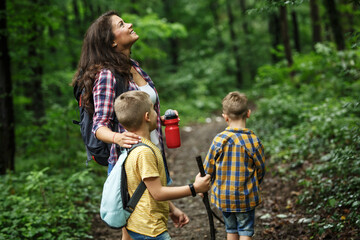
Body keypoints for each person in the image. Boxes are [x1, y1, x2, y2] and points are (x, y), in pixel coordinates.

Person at [72, 10, 175, 239]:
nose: (129, 24)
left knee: (139, 228)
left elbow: (144, 108)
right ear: (112, 41)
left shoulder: (134, 66)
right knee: (144, 228)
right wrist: (118, 138)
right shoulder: (107, 75)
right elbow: (99, 126)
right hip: (130, 164)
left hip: (153, 154)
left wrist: (163, 119)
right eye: (121, 24)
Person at [114, 91, 211, 240]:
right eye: (153, 110)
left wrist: (172, 209)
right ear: (147, 116)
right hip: (150, 228)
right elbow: (157, 193)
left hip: (137, 224)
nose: (157, 114)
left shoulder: (132, 147)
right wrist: (194, 188)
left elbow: (145, 188)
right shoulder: (144, 152)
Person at [203, 92, 266, 240]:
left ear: (225, 117)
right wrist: (254, 184)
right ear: (248, 113)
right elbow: (261, 169)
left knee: (231, 229)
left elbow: (208, 169)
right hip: (246, 197)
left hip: (224, 197)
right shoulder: (253, 141)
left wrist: (203, 186)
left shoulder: (219, 140)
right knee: (245, 230)